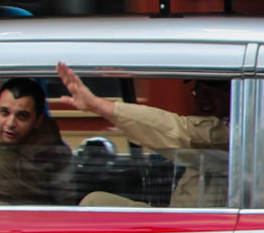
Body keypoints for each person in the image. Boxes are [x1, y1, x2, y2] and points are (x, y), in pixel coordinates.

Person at [54, 62, 229, 206]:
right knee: (95, 203)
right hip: (188, 225)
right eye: (198, 92)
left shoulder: (234, 134)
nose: (202, 99)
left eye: (213, 93)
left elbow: (179, 132)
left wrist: (99, 105)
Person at [0, 77, 73, 205]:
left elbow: (68, 201)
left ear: (38, 120)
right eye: (4, 112)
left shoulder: (52, 149)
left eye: (22, 116)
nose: (10, 123)